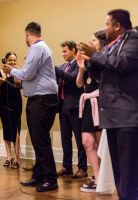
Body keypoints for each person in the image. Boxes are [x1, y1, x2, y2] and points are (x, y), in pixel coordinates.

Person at [78, 9, 138, 199]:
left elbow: (122, 63)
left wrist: (95, 55)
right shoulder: (112, 45)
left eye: (107, 24)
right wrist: (88, 62)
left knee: (129, 172)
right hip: (112, 116)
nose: (105, 29)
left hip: (127, 116)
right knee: (119, 170)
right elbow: (102, 75)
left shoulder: (133, 40)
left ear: (118, 26)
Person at [3, 22, 59, 192]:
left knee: (40, 140)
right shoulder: (43, 48)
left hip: (41, 100)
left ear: (27, 34)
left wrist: (10, 70)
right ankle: (39, 175)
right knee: (38, 139)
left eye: (25, 36)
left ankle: (50, 179)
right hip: (41, 99)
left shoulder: (36, 48)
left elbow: (27, 74)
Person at [76, 30, 107, 192]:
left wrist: (92, 60)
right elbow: (80, 84)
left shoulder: (105, 61)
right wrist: (81, 68)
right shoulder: (87, 63)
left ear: (102, 43)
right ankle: (97, 177)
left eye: (94, 40)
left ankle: (105, 178)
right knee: (87, 142)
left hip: (102, 103)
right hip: (88, 103)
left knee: (101, 144)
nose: (90, 43)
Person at [55, 41, 87, 178]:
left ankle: (82, 168)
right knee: (65, 140)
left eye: (65, 51)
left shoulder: (79, 65)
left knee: (80, 140)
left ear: (74, 50)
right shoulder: (63, 66)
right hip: (62, 107)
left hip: (75, 107)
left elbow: (74, 79)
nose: (63, 54)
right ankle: (67, 166)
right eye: (62, 51)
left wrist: (56, 70)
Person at [0, 52, 22, 169]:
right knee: (6, 129)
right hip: (3, 104)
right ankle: (8, 157)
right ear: (5, 60)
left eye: (14, 60)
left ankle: (17, 158)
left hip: (16, 103)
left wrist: (14, 72)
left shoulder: (18, 72)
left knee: (15, 129)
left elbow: (19, 86)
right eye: (10, 60)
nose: (13, 62)